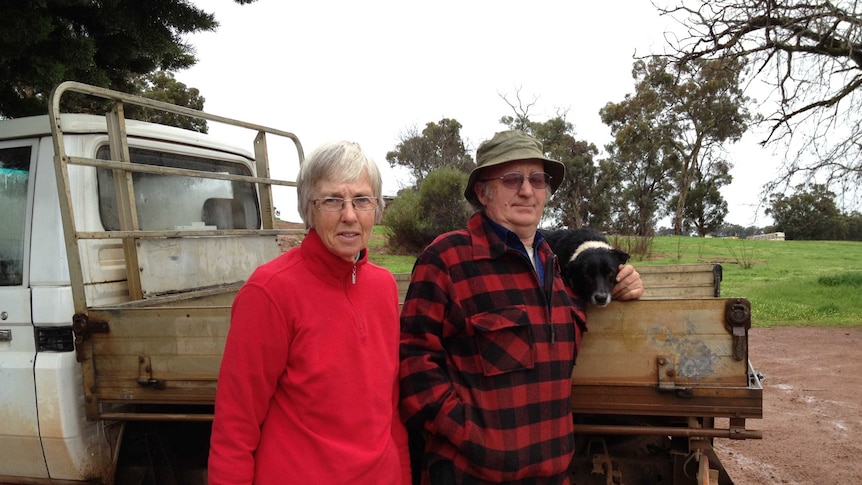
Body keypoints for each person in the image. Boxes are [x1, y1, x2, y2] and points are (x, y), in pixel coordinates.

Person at [399, 130, 643, 484]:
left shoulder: (557, 268)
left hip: (552, 473)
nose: (527, 191)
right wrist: (474, 439)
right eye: (512, 179)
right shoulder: (447, 259)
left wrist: (628, 282)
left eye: (537, 180)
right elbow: (414, 365)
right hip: (471, 474)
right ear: (484, 192)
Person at [209, 141, 410, 484]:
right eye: (332, 200)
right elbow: (235, 426)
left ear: (375, 209)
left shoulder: (383, 287)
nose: (349, 214)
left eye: (362, 200)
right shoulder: (269, 292)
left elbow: (389, 409)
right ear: (308, 209)